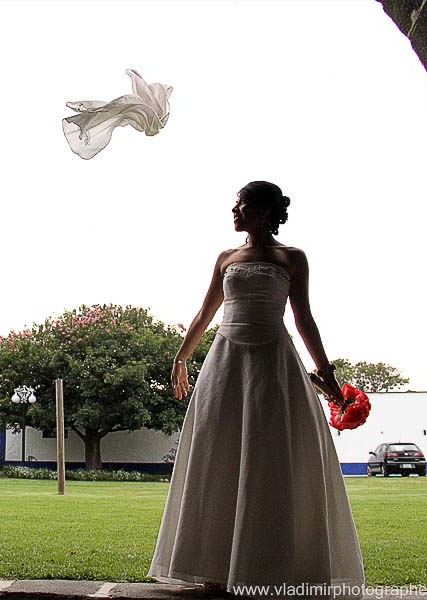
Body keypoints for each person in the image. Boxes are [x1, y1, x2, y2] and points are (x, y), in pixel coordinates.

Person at [147, 181, 365, 599]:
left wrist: (328, 375)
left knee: (271, 460)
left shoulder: (292, 258)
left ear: (263, 212)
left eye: (241, 204)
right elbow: (206, 311)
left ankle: (272, 566)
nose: (233, 210)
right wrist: (180, 357)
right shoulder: (226, 258)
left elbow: (304, 319)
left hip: (273, 364)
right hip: (226, 363)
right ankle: (211, 565)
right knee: (219, 454)